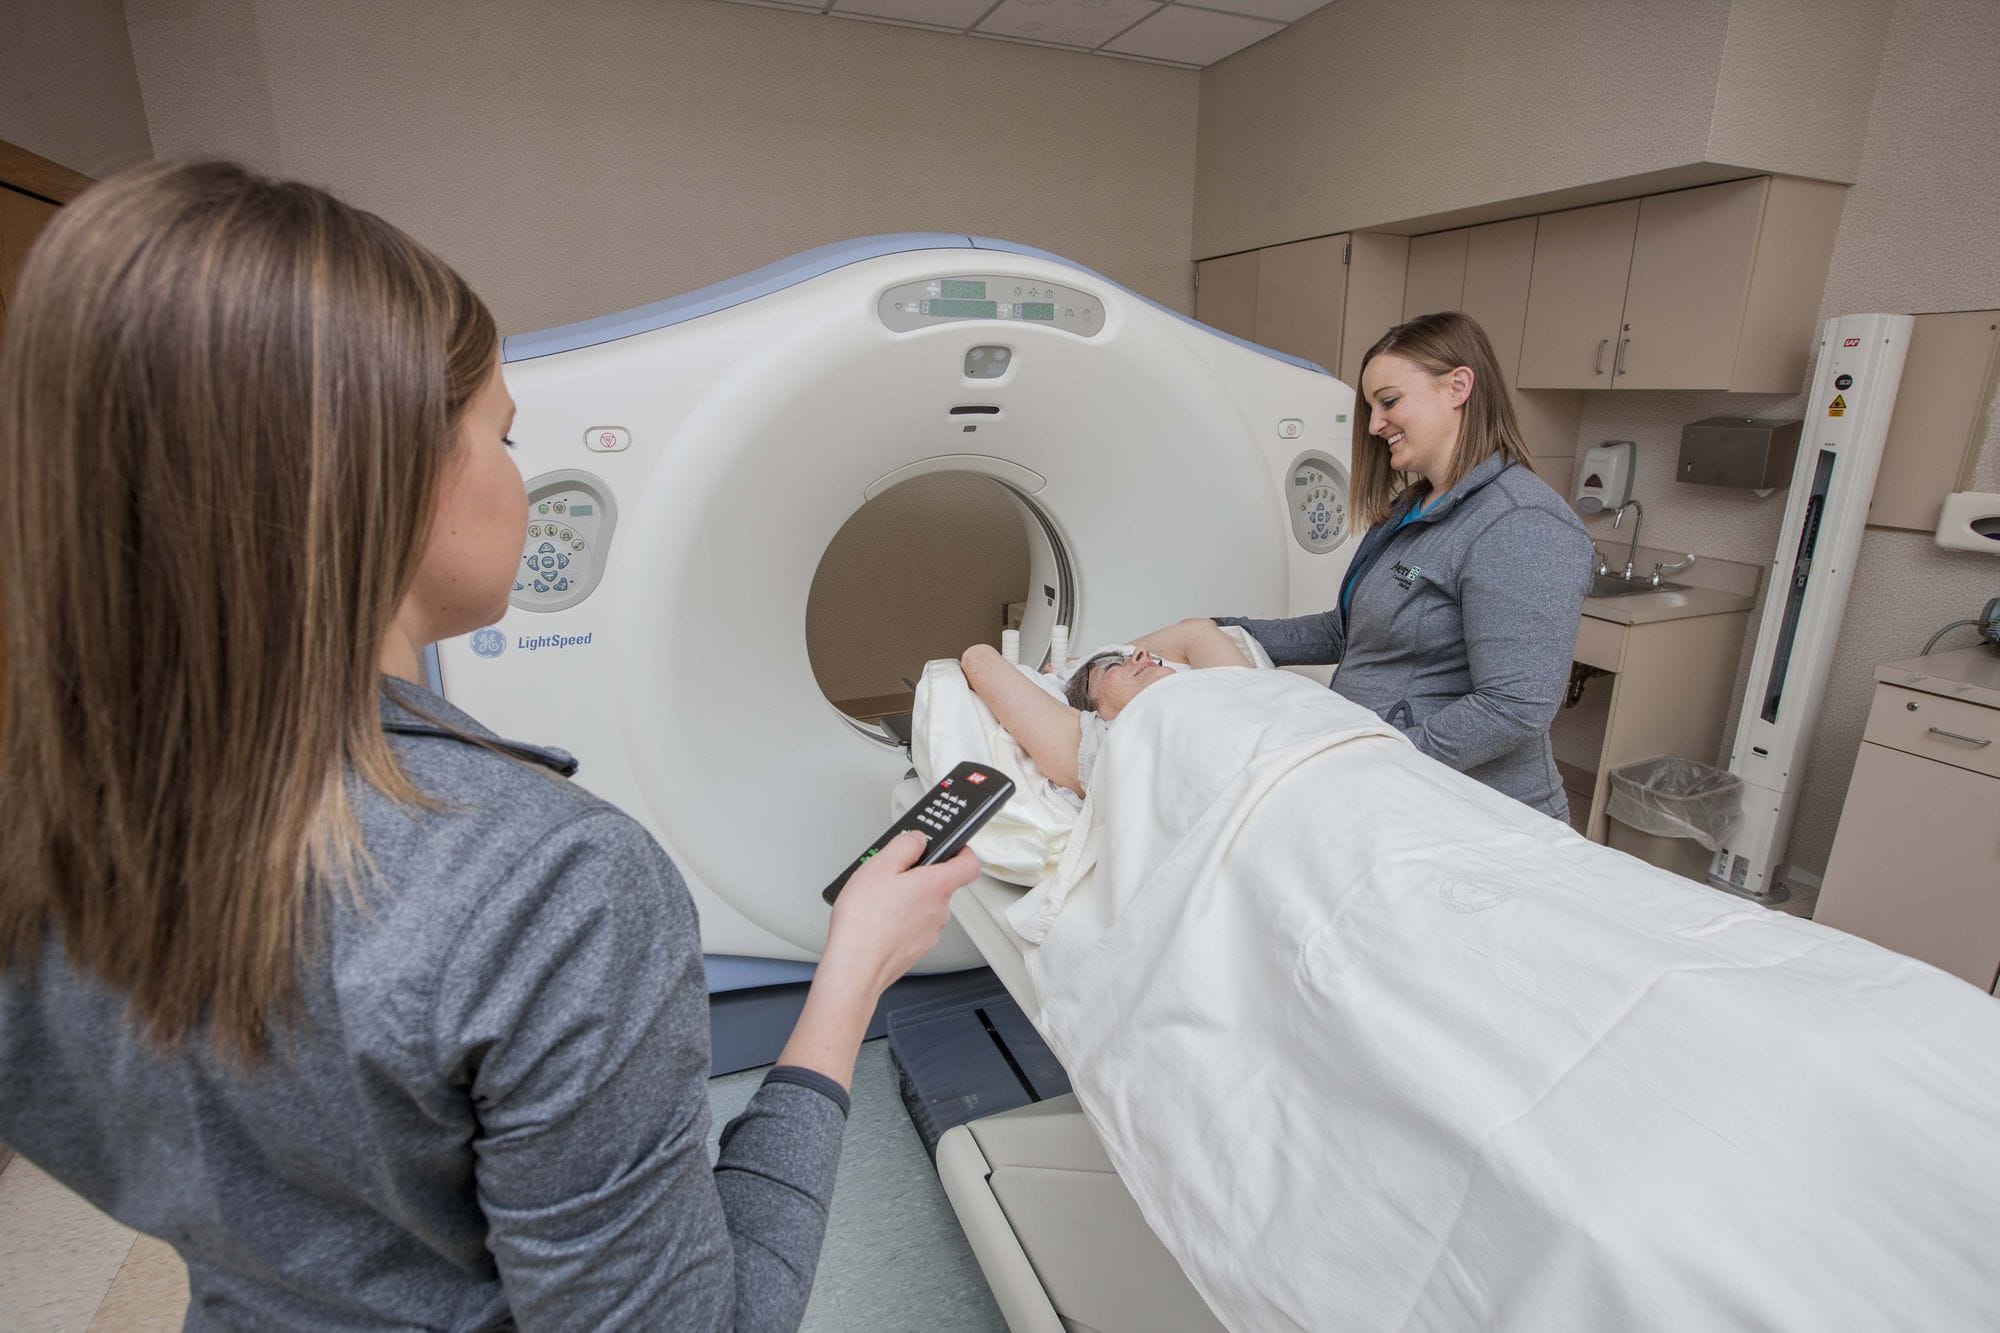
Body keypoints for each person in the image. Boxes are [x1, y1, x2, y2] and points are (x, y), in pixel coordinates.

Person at [0, 161, 979, 1331]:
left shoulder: (38, 832)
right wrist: (851, 968)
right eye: (502, 436)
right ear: (391, 476)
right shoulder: (552, 888)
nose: (522, 483)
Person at [1139, 312, 1593, 820]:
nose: (1375, 425)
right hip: (1388, 786)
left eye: (1390, 401)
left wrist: (1381, 758)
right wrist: (1216, 631)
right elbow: (1345, 632)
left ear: (1458, 387)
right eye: (1373, 407)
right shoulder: (1413, 507)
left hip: (1476, 809)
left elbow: (1515, 706)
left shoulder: (1518, 523)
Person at [960, 618, 1252, 797]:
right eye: (1114, 665)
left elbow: (1196, 631)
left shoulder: (1234, 683)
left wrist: (1085, 660)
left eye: (1154, 661)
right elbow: (978, 658)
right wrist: (1068, 675)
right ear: (1093, 711)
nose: (1141, 654)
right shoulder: (1104, 744)